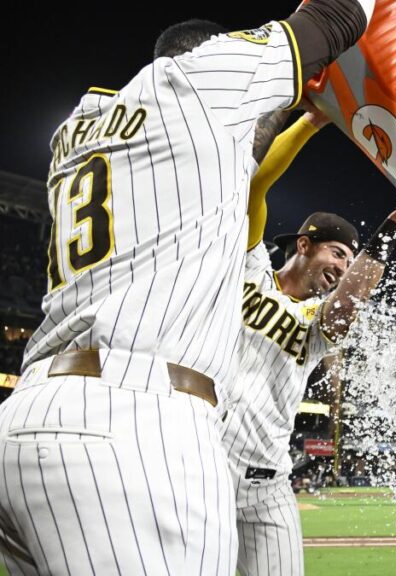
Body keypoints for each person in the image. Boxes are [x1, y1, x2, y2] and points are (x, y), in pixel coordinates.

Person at [0, 3, 374, 573]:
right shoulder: (193, 82)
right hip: (132, 421)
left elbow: (248, 164)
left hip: (29, 412)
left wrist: (306, 118)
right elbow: (334, 16)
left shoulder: (81, 126)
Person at [220, 108, 396, 575]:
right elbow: (255, 186)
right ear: (303, 245)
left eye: (349, 260)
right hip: (202, 467)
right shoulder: (249, 267)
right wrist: (313, 120)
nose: (343, 268)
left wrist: (393, 227)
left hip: (267, 483)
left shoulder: (320, 318)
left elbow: (343, 312)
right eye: (337, 253)